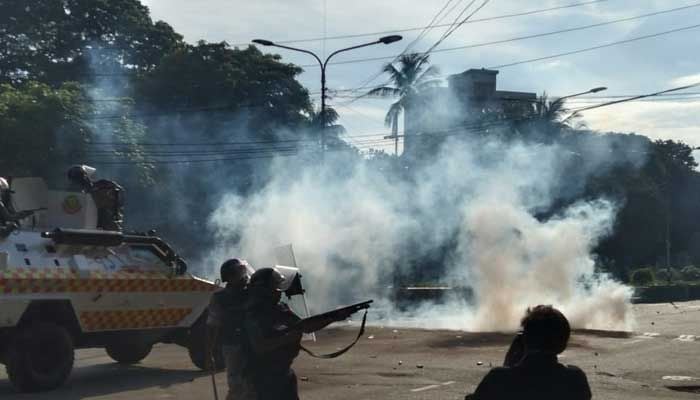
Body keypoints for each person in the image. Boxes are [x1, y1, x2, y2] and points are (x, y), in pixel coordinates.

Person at [244, 267, 352, 400]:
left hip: (283, 373)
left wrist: (332, 317)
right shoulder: (253, 313)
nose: (280, 292)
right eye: (276, 288)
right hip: (264, 377)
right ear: (264, 290)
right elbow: (260, 346)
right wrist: (287, 338)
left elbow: (304, 326)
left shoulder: (279, 307)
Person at [466, 305, 592, 400]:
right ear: (563, 344)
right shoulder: (575, 379)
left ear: (525, 339)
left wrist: (509, 367)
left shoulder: (498, 378)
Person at [207, 259, 256, 400]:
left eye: (243, 272)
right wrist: (208, 352)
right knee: (237, 386)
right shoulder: (219, 298)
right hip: (233, 345)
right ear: (229, 277)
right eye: (240, 273)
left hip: (254, 343)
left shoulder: (252, 292)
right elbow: (212, 326)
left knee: (254, 383)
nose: (244, 276)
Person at [67, 165, 124, 231]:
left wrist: (113, 204)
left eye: (79, 179)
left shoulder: (103, 186)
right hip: (91, 229)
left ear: (85, 177)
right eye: (76, 181)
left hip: (109, 228)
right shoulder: (83, 195)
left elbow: (120, 192)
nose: (78, 184)